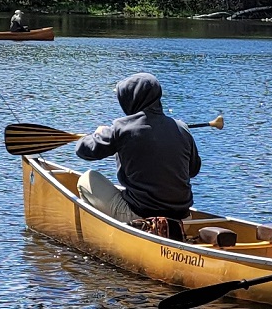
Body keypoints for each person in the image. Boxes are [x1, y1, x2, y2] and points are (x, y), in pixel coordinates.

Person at [72, 73, 201, 232]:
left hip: (140, 218)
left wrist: (99, 134)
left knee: (86, 178)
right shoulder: (182, 128)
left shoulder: (122, 128)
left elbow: (83, 150)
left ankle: (101, 235)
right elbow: (194, 170)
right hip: (183, 221)